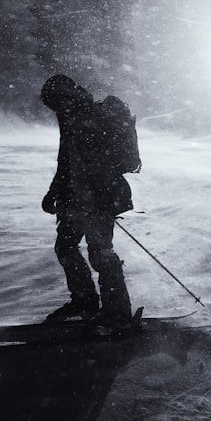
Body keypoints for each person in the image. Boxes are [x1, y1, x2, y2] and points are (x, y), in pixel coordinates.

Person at [41, 74, 133, 326]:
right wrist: (54, 192)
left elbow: (102, 164)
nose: (54, 108)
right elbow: (67, 162)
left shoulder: (90, 116)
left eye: (55, 102)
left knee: (100, 253)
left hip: (99, 200)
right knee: (66, 247)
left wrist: (100, 199)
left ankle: (117, 312)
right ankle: (84, 301)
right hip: (75, 199)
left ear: (64, 97)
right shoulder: (70, 117)